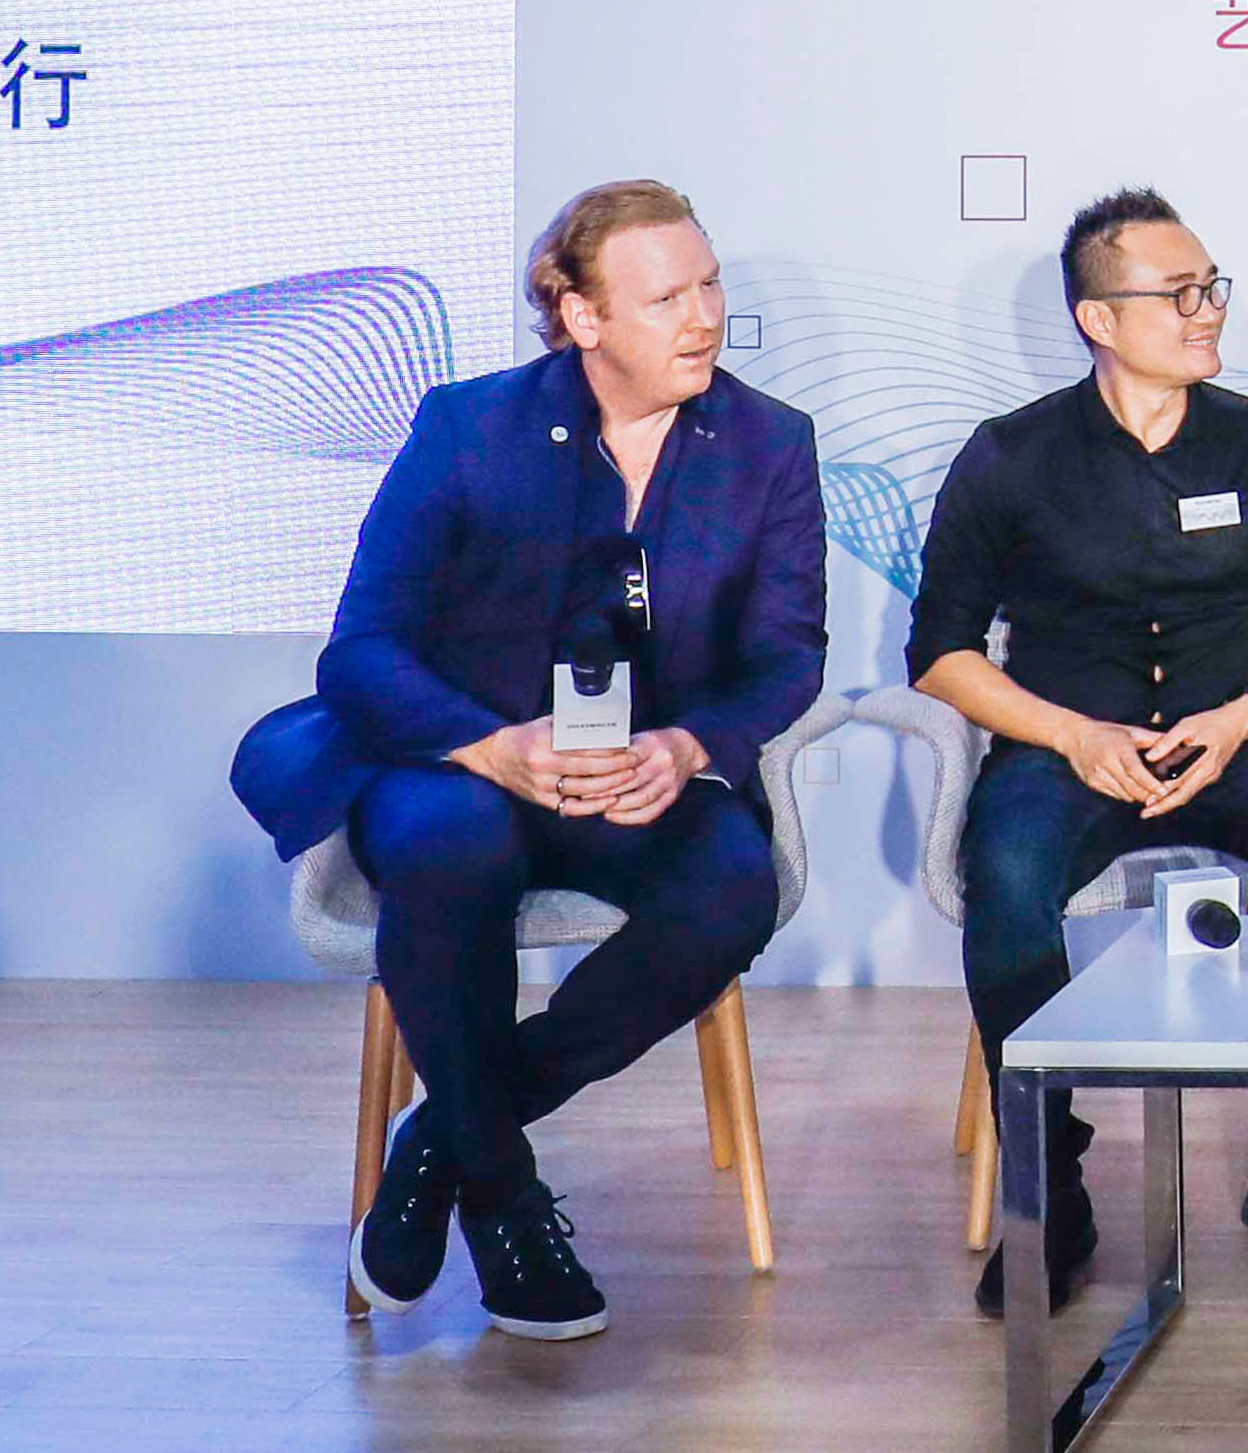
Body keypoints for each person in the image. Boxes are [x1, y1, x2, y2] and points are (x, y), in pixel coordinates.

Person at [247, 179, 826, 1345]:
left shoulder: (768, 441)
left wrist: (686, 745)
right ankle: (507, 1200)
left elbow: (787, 657)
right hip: (462, 759)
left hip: (637, 773)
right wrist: (493, 746)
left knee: (731, 887)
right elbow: (362, 649)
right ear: (581, 315)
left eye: (711, 284)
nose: (704, 316)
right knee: (452, 848)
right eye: (667, 297)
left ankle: (448, 1137)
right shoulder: (471, 427)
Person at [911, 187, 1248, 1315]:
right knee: (1008, 875)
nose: (1206, 310)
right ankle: (1050, 1188)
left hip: (1226, 733)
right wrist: (1070, 733)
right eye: (1177, 293)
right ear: (1098, 318)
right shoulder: (1011, 455)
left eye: (1209, 287)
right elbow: (939, 652)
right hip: (1067, 743)